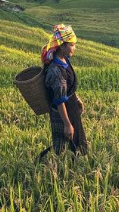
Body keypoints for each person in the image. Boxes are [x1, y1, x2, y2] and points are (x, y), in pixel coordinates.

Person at [37, 24, 87, 160]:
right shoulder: (56, 70)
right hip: (62, 112)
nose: (74, 48)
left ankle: (76, 166)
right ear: (62, 46)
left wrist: (76, 99)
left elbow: (69, 87)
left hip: (71, 107)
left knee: (78, 143)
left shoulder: (65, 60)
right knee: (60, 146)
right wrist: (67, 124)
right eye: (72, 45)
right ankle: (42, 163)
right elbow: (59, 100)